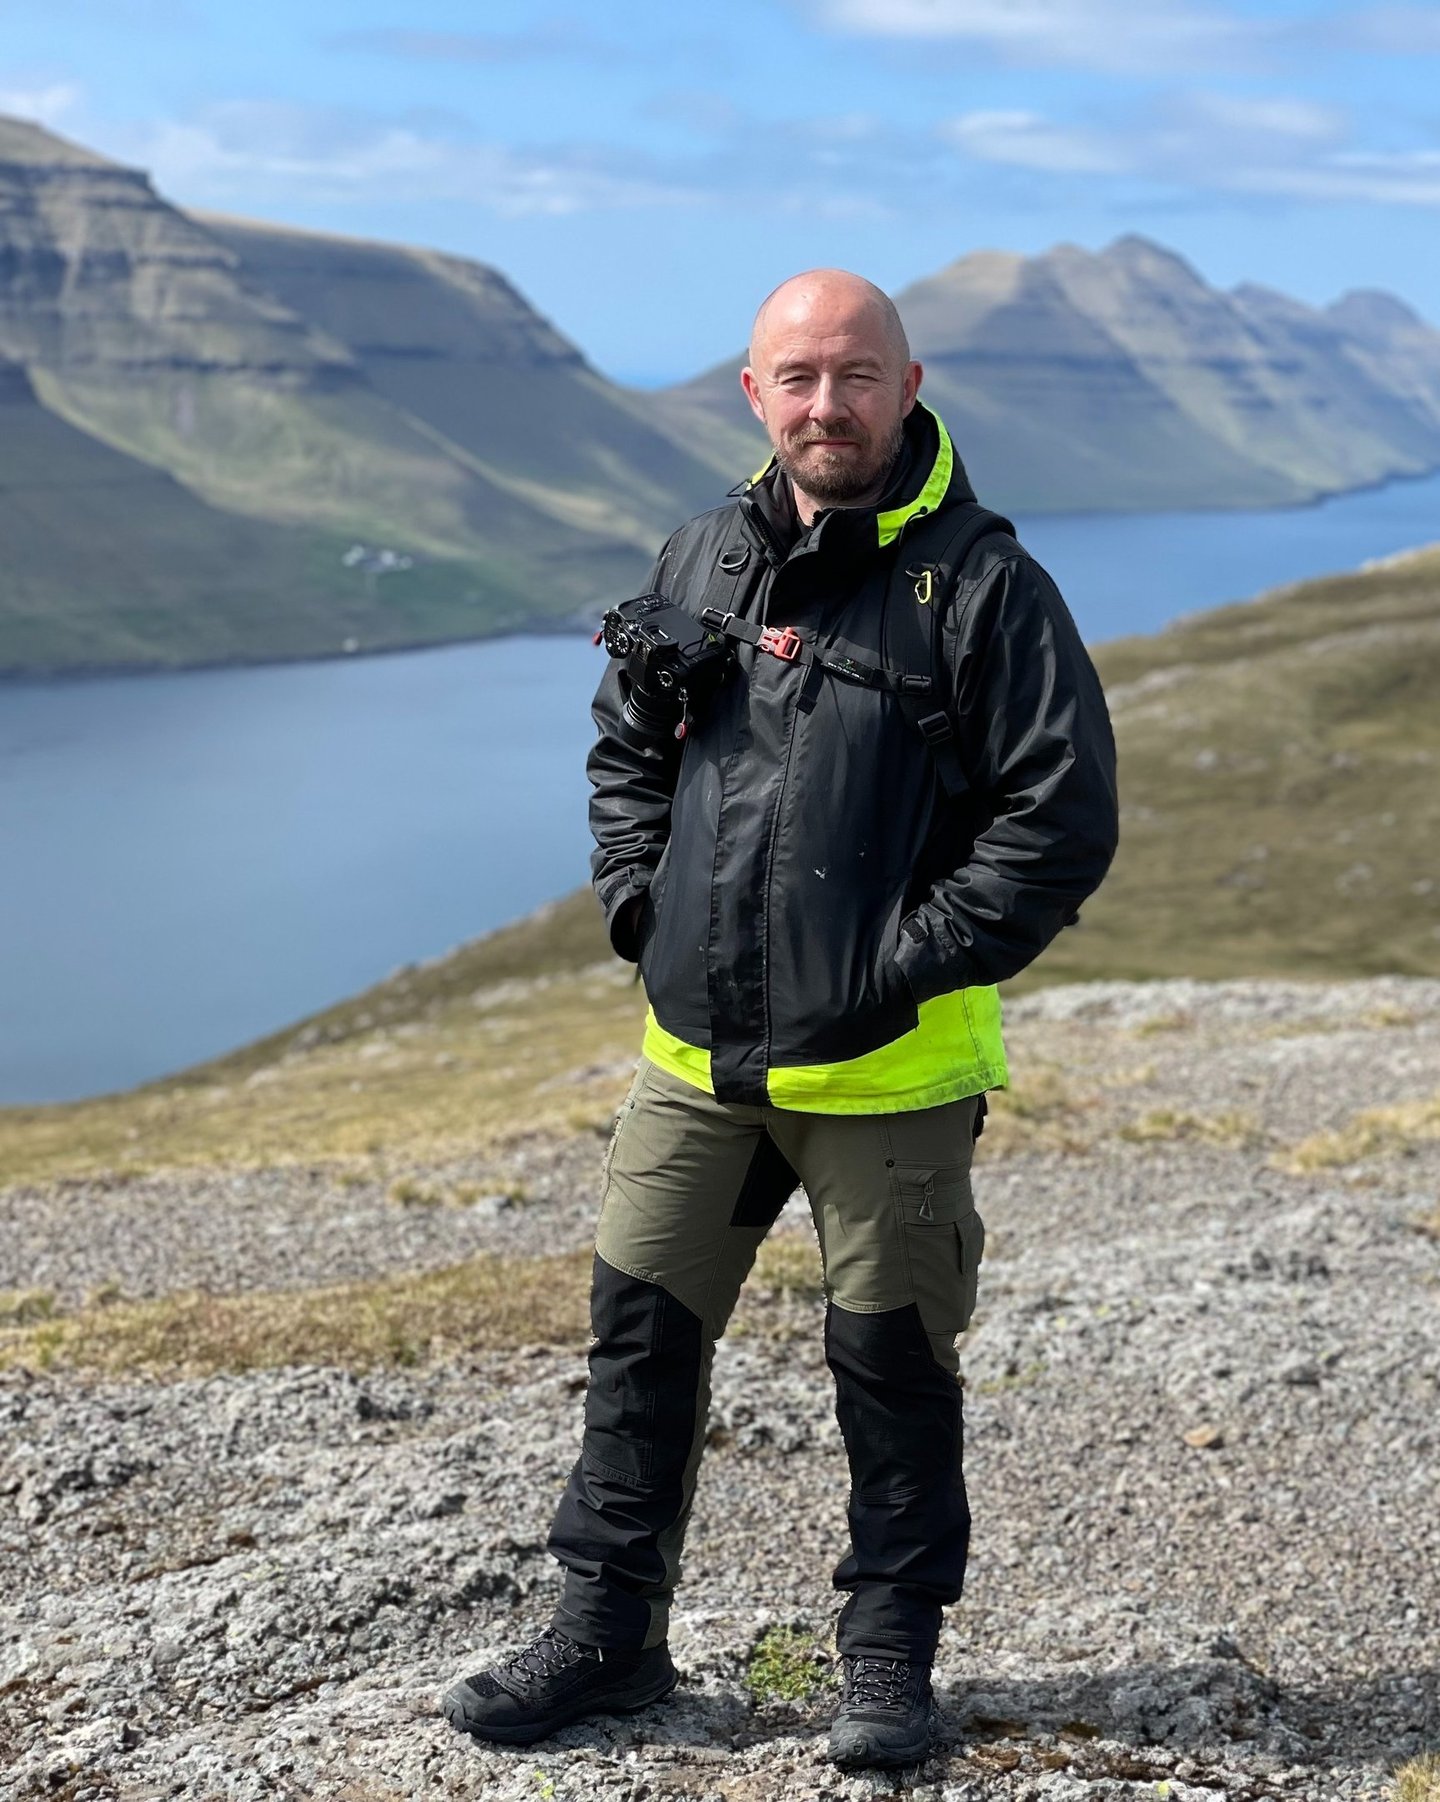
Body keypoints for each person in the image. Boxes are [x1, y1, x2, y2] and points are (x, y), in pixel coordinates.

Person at [443, 269, 1119, 1769]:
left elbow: (1059, 822)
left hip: (888, 1072)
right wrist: (643, 907)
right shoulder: (699, 559)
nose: (829, 405)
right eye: (798, 378)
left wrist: (893, 964)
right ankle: (606, 1637)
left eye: (858, 376)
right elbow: (627, 749)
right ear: (753, 392)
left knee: (888, 1367)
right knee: (637, 1345)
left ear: (910, 384)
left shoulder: (987, 587)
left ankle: (886, 1661)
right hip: (695, 1066)